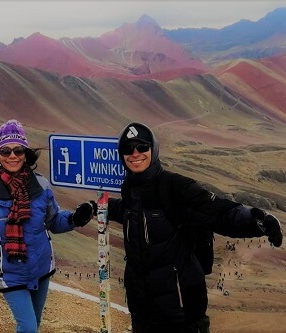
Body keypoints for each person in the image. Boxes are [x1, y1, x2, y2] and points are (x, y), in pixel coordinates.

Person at [104, 122, 283, 333]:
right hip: (142, 310)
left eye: (142, 147)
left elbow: (218, 211)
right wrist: (95, 208)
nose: (135, 154)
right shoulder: (131, 188)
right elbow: (127, 211)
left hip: (180, 312)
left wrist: (256, 221)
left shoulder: (175, 187)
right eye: (127, 149)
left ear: (154, 149)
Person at [0, 119, 94, 333]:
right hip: (10, 274)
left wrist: (74, 219)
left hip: (42, 268)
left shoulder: (41, 185)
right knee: (28, 328)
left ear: (25, 153)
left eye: (18, 150)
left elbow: (53, 221)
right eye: (5, 151)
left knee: (34, 324)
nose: (12, 156)